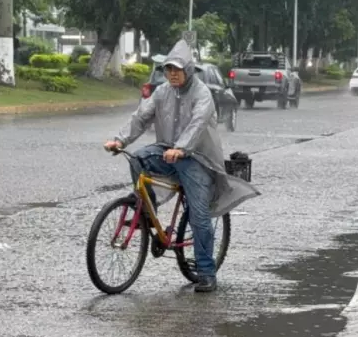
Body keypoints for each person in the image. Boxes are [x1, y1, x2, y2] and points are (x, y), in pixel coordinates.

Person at [104, 40, 260, 293]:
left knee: (199, 216)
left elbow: (197, 124)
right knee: (137, 158)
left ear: (189, 70)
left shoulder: (202, 94)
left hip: (198, 159)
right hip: (168, 152)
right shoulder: (162, 91)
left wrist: (182, 149)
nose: (172, 74)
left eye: (177, 69)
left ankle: (207, 272)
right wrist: (119, 140)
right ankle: (147, 209)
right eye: (168, 69)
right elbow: (141, 116)